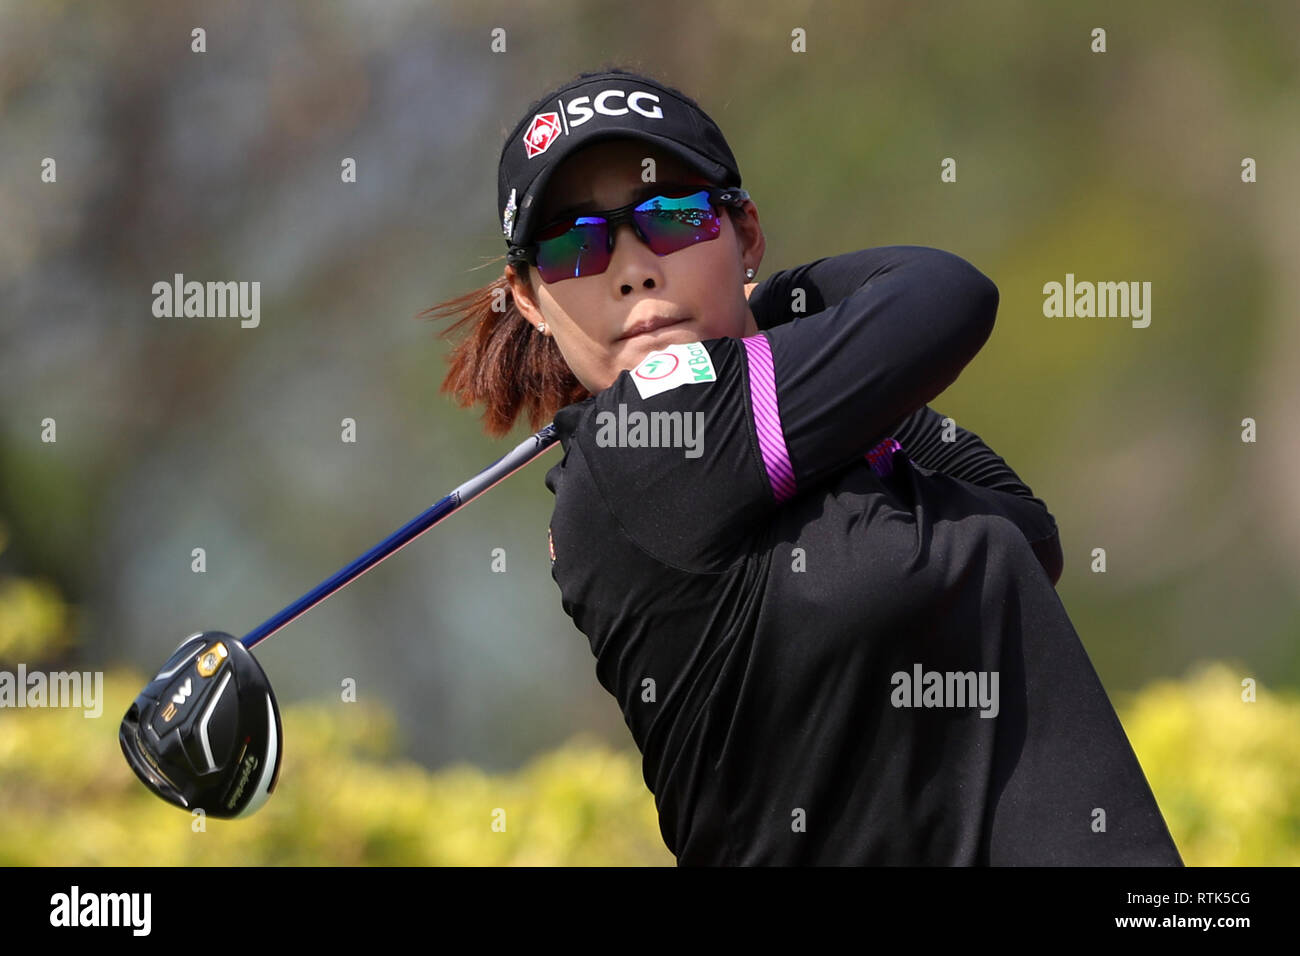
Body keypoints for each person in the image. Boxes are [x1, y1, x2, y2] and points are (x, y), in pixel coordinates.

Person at [423, 66, 1183, 866]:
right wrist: (784, 304)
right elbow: (944, 293)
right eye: (575, 244)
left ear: (744, 233)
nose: (633, 267)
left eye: (674, 217)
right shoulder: (639, 447)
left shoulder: (773, 437)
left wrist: (780, 336)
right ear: (531, 298)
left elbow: (1025, 535)